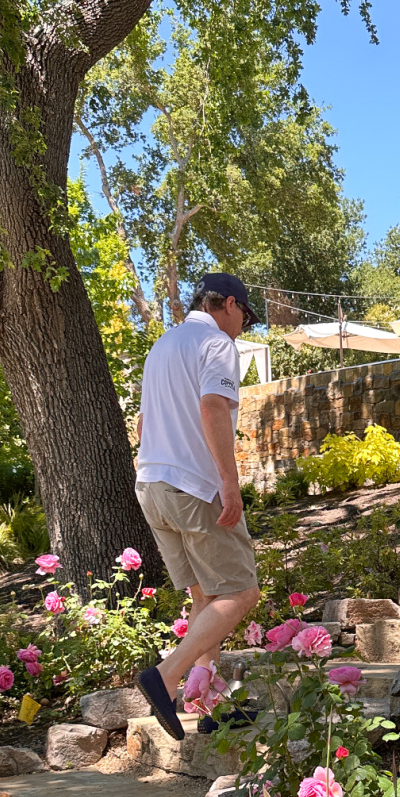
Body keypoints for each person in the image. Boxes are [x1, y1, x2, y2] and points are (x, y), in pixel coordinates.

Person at [134, 272, 262, 741]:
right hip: (193, 487)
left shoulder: (162, 346)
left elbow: (146, 424)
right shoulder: (216, 343)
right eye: (245, 317)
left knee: (206, 598)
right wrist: (229, 483)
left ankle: (213, 702)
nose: (242, 328)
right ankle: (166, 677)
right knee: (240, 592)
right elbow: (212, 407)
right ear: (228, 304)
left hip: (151, 485)